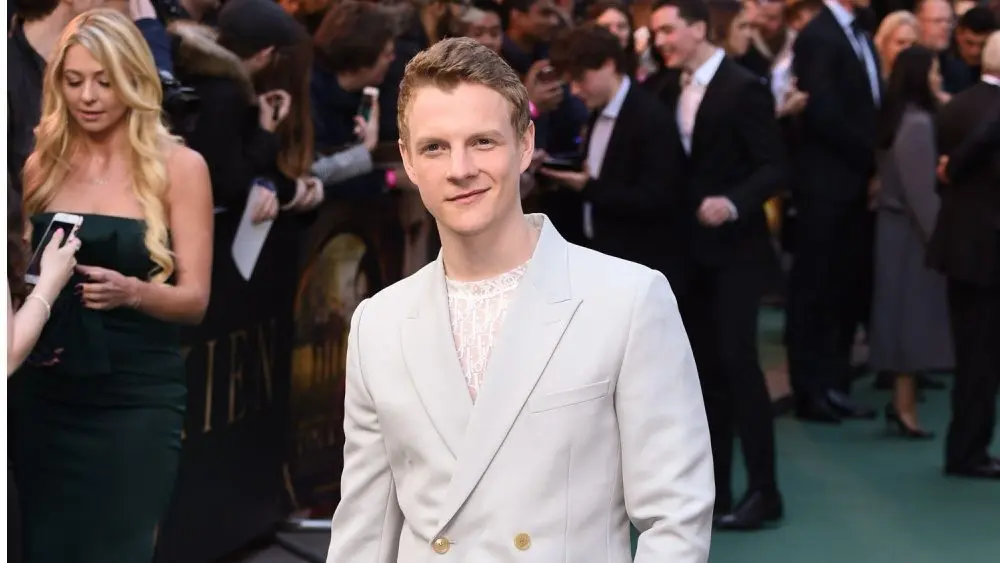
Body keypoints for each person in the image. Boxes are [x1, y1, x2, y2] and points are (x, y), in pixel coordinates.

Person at [326, 37, 714, 562]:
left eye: (483, 142)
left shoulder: (627, 299)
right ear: (408, 161)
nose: (460, 168)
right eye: (435, 147)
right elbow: (363, 531)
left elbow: (676, 516)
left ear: (525, 145)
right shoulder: (379, 323)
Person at [9, 8, 213, 562]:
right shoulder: (41, 166)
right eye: (74, 81)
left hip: (136, 398)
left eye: (105, 80)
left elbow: (195, 301)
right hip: (46, 396)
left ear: (134, 80)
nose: (89, 96)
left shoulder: (180, 167)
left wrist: (133, 292)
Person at [869, 45, 952, 439]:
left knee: (903, 321)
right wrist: (942, 243)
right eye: (934, 71)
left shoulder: (898, 118)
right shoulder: (917, 125)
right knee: (910, 322)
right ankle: (904, 410)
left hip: (896, 230)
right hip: (910, 238)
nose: (939, 77)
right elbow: (922, 196)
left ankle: (903, 406)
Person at [929, 30, 1000, 480]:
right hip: (990, 254)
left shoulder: (956, 106)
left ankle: (966, 446)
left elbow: (943, 178)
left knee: (971, 356)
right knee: (983, 359)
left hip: (960, 248)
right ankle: (968, 451)